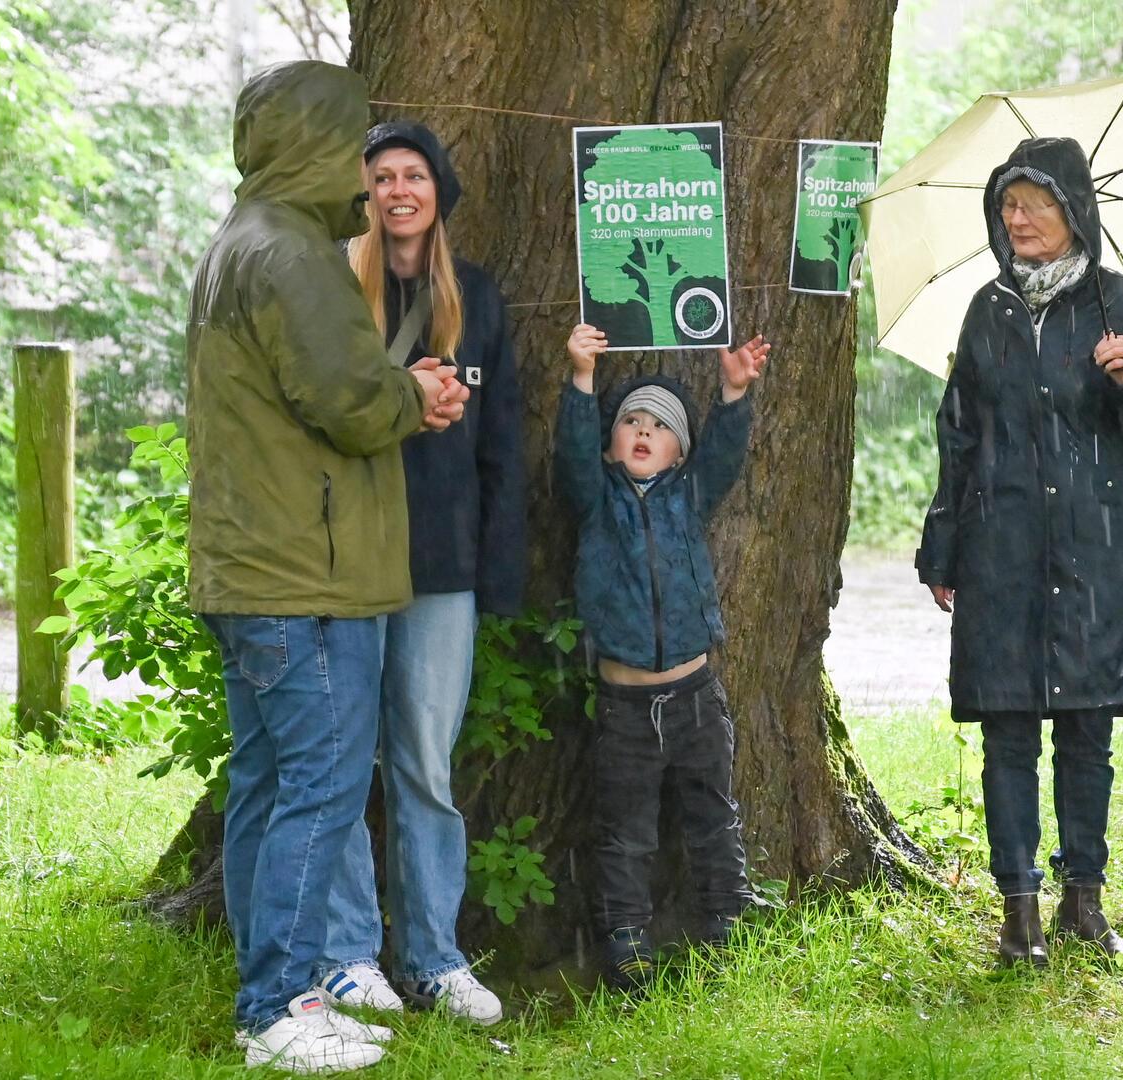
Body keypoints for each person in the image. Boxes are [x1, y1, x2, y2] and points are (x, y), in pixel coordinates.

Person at [187, 61, 468, 1073]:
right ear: (313, 141)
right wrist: (416, 397)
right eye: (352, 145)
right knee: (320, 787)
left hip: (254, 567)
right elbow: (348, 404)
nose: (363, 170)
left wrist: (388, 385)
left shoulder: (244, 241)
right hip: (302, 575)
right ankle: (275, 1011)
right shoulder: (294, 256)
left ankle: (282, 991)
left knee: (269, 787)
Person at [915, 136, 1123, 969]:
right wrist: (943, 545)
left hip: (1092, 555)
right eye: (1007, 204)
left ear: (1074, 209)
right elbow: (958, 433)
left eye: (1032, 202)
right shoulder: (985, 310)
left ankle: (1085, 903)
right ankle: (1018, 912)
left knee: (1086, 731)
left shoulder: (1122, 305)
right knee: (1005, 731)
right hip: (1000, 550)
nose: (1016, 218)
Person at [312, 121, 525, 1026]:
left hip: (442, 568)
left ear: (438, 191)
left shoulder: (474, 297)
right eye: (381, 177)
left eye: (414, 175)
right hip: (346, 564)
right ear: (362, 193)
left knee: (424, 770)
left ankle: (435, 958)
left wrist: (498, 572)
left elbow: (504, 448)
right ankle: (350, 954)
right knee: (338, 766)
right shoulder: (326, 293)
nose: (399, 190)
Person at [556, 323, 770, 992]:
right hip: (623, 705)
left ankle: (727, 918)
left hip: (695, 696)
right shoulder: (596, 501)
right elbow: (570, 456)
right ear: (611, 442)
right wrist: (581, 378)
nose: (643, 432)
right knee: (626, 831)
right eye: (631, 423)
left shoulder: (689, 495)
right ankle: (626, 938)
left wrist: (733, 393)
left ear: (680, 453)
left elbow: (725, 457)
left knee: (712, 815)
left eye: (660, 426)